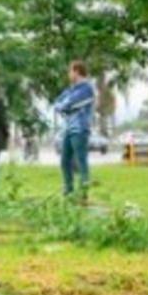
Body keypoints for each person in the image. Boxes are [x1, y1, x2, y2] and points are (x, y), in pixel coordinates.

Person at [53, 60, 96, 199]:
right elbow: (57, 103)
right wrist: (63, 105)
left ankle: (83, 193)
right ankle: (69, 191)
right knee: (65, 161)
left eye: (70, 71)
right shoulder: (70, 90)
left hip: (80, 128)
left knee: (81, 161)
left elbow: (68, 104)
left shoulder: (86, 89)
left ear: (77, 71)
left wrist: (64, 106)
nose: (69, 74)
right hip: (68, 128)